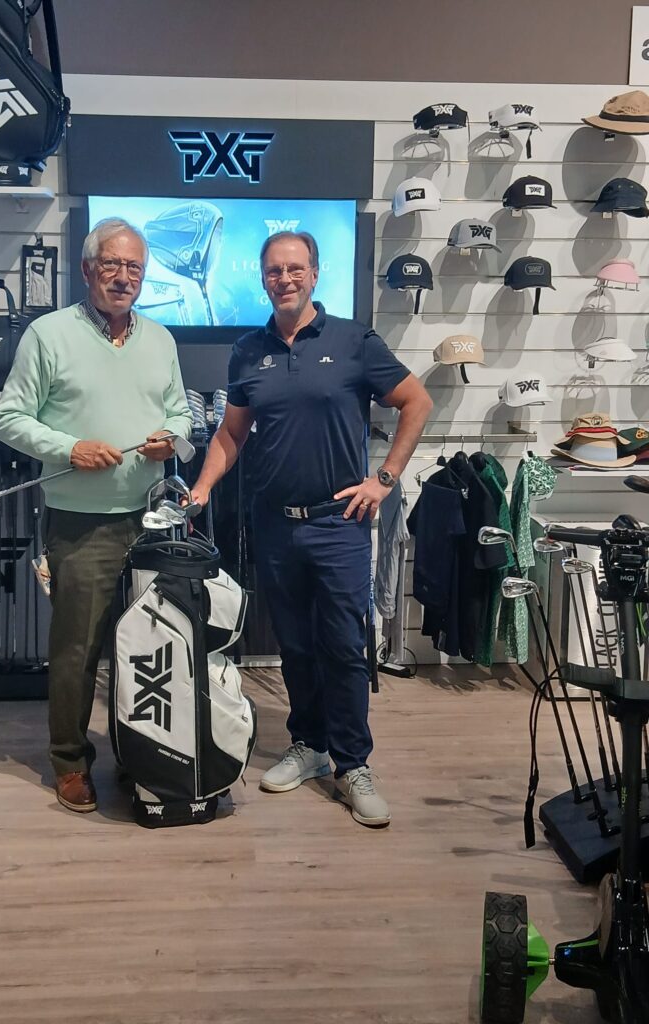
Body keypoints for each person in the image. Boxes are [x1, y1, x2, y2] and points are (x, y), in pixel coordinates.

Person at [191, 231, 431, 828]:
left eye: (295, 269)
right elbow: (231, 433)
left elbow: (416, 402)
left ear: (315, 274)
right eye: (275, 270)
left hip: (339, 523)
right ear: (263, 278)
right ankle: (310, 745)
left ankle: (353, 764)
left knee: (344, 647)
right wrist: (202, 488)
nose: (285, 279)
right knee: (294, 645)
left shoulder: (353, 341)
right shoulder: (248, 351)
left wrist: (385, 478)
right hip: (275, 525)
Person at [0, 217, 193, 813]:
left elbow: (182, 414)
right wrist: (68, 448)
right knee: (77, 652)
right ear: (87, 269)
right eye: (112, 264)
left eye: (134, 267)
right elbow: (8, 418)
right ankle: (70, 761)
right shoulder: (48, 334)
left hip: (151, 521)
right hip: (81, 525)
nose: (123, 277)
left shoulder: (161, 339)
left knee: (147, 649)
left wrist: (172, 439)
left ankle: (140, 753)